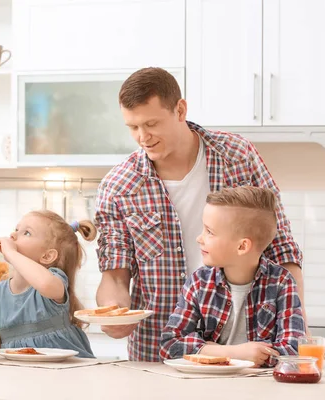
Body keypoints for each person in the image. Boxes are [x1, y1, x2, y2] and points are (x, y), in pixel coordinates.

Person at [95, 67, 304, 362]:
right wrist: (114, 314)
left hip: (250, 356)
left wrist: (297, 325)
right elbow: (115, 274)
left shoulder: (237, 157)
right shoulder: (119, 186)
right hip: (161, 353)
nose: (143, 137)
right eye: (132, 127)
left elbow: (281, 245)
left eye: (151, 123)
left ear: (180, 110)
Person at [159, 187, 305, 367]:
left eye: (209, 232)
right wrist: (234, 353)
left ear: (242, 247)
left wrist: (205, 349)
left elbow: (293, 350)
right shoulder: (199, 283)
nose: (200, 238)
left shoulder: (281, 282)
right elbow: (170, 344)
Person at [0, 210, 96, 358]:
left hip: (68, 375)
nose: (12, 235)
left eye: (26, 233)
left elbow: (45, 284)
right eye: (16, 229)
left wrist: (11, 253)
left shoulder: (54, 282)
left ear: (47, 256)